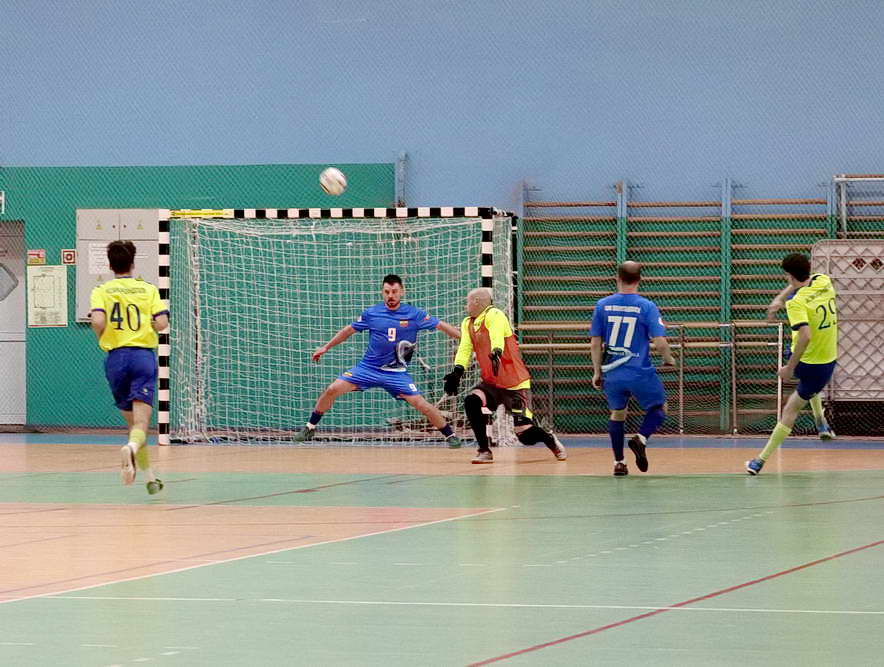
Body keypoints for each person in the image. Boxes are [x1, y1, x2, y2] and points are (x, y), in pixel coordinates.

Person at [294, 274, 463, 446]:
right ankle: (310, 427)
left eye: (394, 291)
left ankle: (450, 436)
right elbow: (348, 331)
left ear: (402, 292)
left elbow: (441, 325)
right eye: (387, 292)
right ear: (382, 292)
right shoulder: (372, 313)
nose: (391, 296)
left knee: (423, 405)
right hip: (368, 369)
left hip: (396, 373)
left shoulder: (414, 314)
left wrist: (465, 339)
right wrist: (325, 347)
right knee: (332, 389)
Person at [442, 287, 566, 464]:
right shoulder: (467, 323)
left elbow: (496, 334)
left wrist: (496, 351)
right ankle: (484, 450)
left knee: (525, 436)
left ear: (476, 302)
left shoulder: (495, 314)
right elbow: (465, 348)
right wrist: (457, 372)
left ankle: (549, 438)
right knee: (471, 401)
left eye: (467, 302)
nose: (465, 305)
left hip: (513, 383)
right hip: (492, 383)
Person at [746, 253, 838, 475]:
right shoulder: (824, 281)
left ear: (788, 275)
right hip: (829, 357)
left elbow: (805, 336)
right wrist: (779, 299)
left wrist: (789, 367)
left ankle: (759, 461)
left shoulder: (796, 303)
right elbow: (800, 283)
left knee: (790, 409)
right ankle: (821, 423)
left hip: (809, 362)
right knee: (810, 387)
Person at [90, 240, 169, 494]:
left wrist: (103, 338)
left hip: (115, 359)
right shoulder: (148, 289)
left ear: (110, 265)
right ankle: (131, 449)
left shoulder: (101, 290)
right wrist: (150, 325)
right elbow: (162, 323)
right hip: (142, 357)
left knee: (134, 424)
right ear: (133, 263)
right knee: (142, 423)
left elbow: (97, 321)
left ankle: (149, 478)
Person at [590, 261, 675, 476]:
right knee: (660, 407)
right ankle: (641, 438)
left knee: (618, 413)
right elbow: (660, 341)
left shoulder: (602, 305)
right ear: (639, 280)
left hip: (612, 372)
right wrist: (668, 358)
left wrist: (597, 371)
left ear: (617, 278)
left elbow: (595, 343)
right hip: (639, 371)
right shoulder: (646, 306)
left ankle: (619, 463)